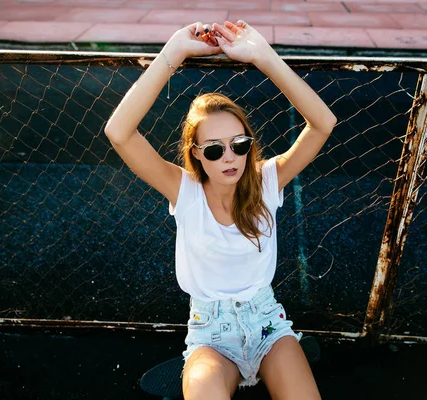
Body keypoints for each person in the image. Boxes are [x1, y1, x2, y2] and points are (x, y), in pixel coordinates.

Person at [105, 20, 336, 400]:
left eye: (238, 144)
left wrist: (263, 55)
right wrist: (174, 52)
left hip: (267, 326)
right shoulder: (186, 191)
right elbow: (119, 133)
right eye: (214, 149)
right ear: (196, 153)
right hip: (210, 335)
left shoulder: (267, 181)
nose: (229, 158)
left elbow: (323, 123)